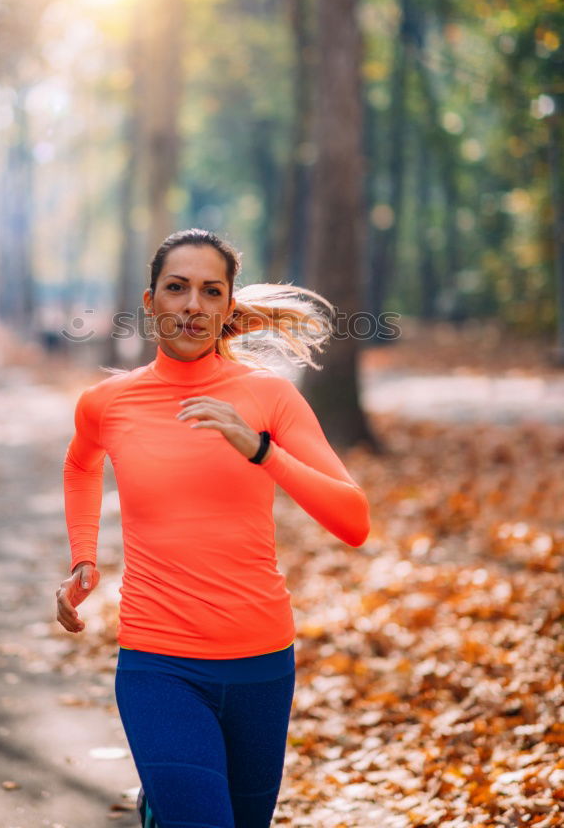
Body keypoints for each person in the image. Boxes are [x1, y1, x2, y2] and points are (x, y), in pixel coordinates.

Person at [56, 227, 371, 828]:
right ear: (150, 303)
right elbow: (80, 464)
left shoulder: (269, 398)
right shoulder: (107, 402)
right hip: (158, 661)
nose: (193, 305)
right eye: (176, 288)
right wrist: (83, 557)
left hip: (262, 662)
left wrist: (261, 451)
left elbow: (353, 521)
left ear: (228, 307)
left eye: (210, 291)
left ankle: (160, 811)